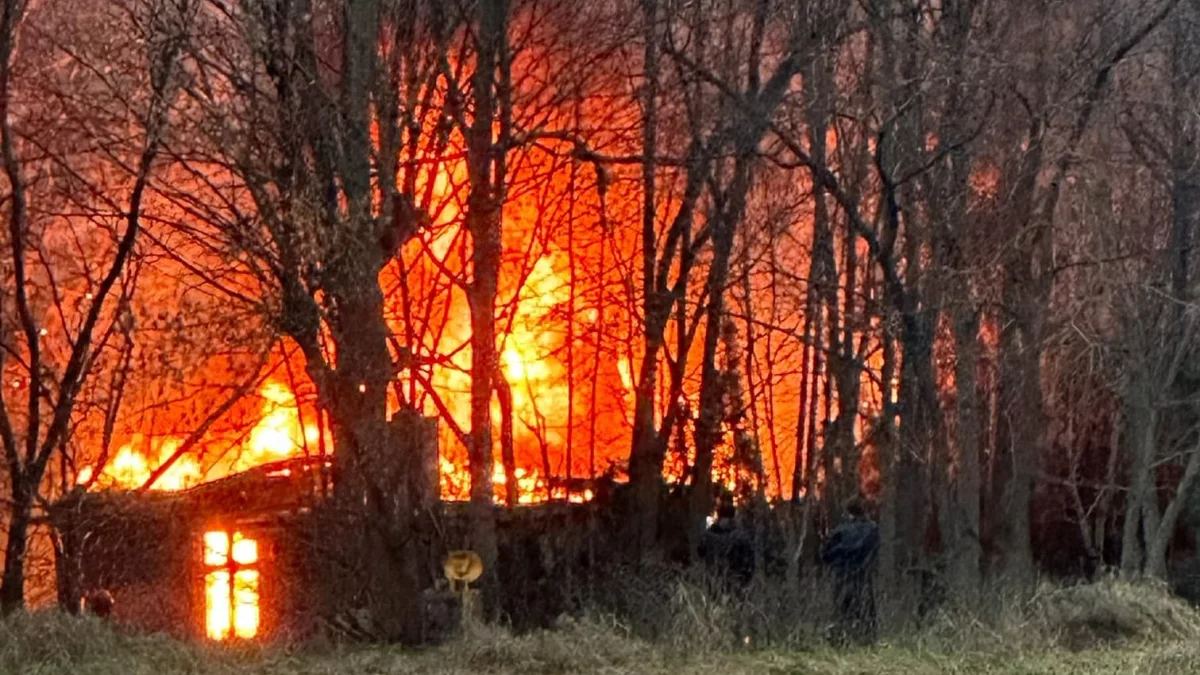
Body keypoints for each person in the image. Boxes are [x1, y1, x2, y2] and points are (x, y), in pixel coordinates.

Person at [821, 498, 879, 646]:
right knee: (866, 613)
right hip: (862, 576)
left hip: (842, 576)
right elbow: (873, 552)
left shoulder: (840, 531)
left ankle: (841, 642)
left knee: (841, 612)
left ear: (848, 512)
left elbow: (825, 555)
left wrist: (839, 559)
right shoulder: (872, 529)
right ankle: (867, 643)